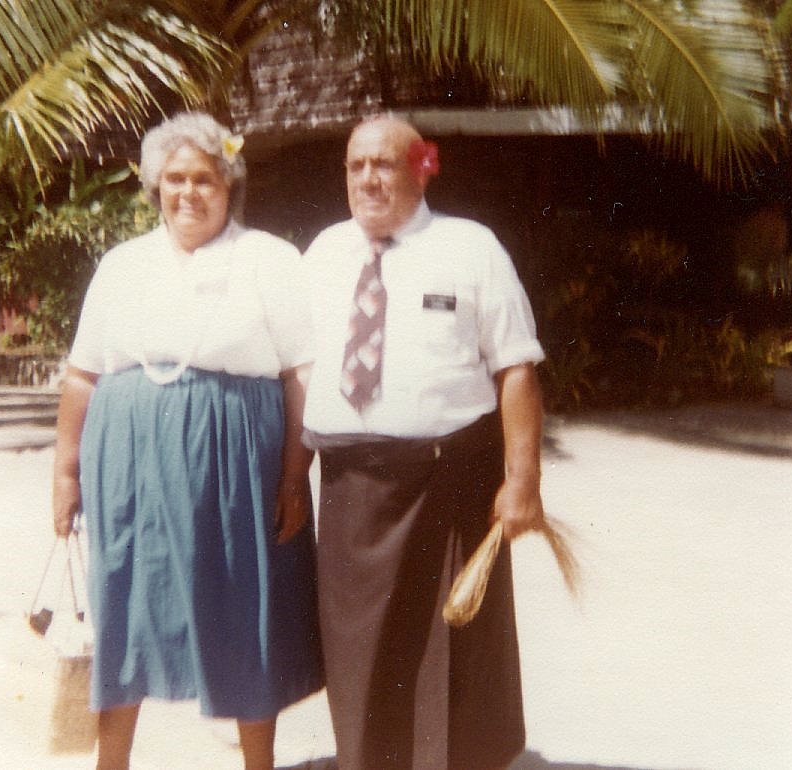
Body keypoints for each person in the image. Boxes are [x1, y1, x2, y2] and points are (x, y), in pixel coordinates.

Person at [52, 112, 323, 770]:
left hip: (237, 464)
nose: (189, 193)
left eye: (204, 179)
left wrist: (293, 476)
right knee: (125, 610)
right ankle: (109, 764)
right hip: (130, 467)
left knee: (244, 608)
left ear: (228, 185)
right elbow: (83, 374)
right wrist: (65, 474)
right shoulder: (121, 265)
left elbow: (301, 374)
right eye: (174, 179)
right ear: (153, 187)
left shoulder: (268, 259)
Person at [301, 115, 547, 770]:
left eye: (382, 164)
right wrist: (289, 474)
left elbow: (515, 367)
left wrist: (523, 479)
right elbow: (299, 370)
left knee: (453, 653)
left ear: (422, 167)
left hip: (447, 482)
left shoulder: (471, 248)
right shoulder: (323, 252)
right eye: (355, 166)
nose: (366, 179)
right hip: (350, 484)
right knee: (359, 656)